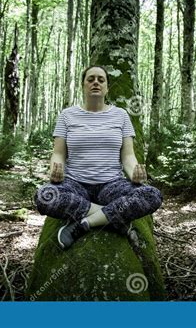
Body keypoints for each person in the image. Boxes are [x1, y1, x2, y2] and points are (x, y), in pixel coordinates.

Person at [34, 65, 163, 250]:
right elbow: (58, 153)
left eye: (101, 80)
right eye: (91, 79)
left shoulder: (121, 115)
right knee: (44, 196)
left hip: (111, 186)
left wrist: (134, 172)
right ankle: (111, 219)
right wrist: (55, 169)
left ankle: (84, 223)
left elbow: (128, 156)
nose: (96, 82)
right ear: (83, 85)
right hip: (75, 184)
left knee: (152, 195)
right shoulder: (67, 115)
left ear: (107, 87)